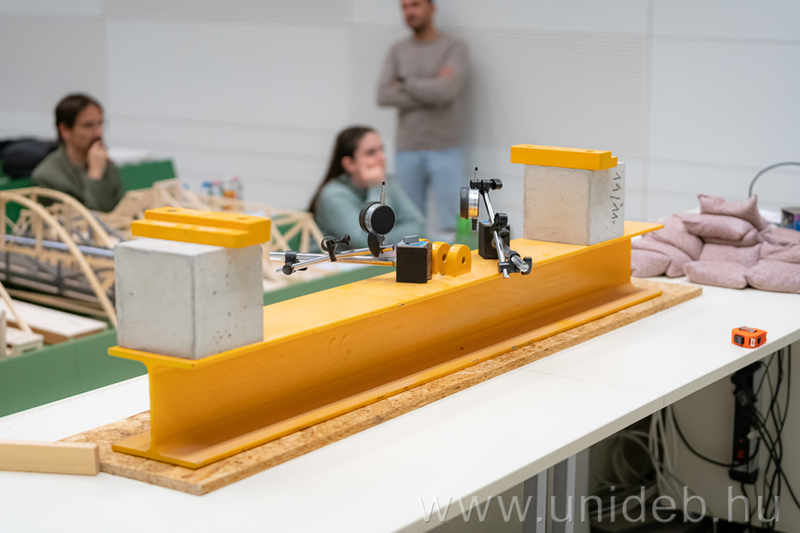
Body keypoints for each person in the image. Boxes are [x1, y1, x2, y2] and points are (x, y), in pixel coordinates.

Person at [377, 0, 468, 240]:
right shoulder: (397, 50)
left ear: (432, 7)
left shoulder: (454, 47)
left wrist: (404, 83)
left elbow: (447, 92)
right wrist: (432, 88)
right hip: (407, 148)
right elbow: (383, 95)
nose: (409, 12)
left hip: (445, 148)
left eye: (415, 4)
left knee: (453, 225)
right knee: (409, 226)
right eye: (404, 7)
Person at [309, 126, 426, 250]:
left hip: (373, 260)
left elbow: (419, 227)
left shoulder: (386, 181)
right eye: (371, 153)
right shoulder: (333, 195)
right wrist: (376, 187)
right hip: (329, 262)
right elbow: (370, 243)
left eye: (381, 149)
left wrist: (388, 239)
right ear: (349, 164)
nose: (381, 158)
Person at [32, 94, 124, 213]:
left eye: (100, 123)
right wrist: (95, 175)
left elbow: (120, 211)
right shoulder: (47, 176)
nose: (99, 133)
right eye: (88, 125)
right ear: (65, 130)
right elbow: (87, 220)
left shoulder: (104, 163)